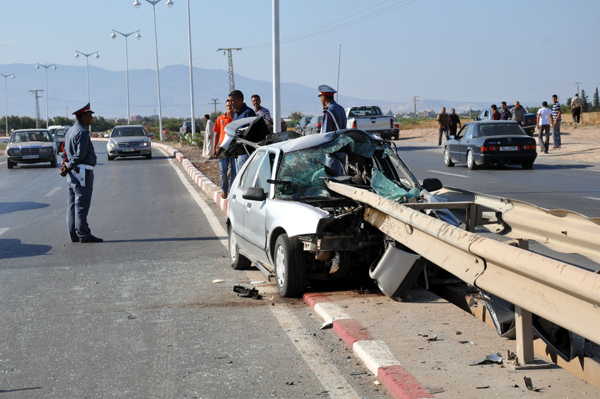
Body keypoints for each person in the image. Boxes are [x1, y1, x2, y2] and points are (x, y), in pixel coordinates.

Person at [63, 103, 102, 243]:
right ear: (83, 116)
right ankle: (84, 234)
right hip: (83, 172)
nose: (91, 118)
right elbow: (81, 154)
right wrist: (71, 164)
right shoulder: (82, 133)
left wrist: (68, 165)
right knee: (82, 205)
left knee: (72, 205)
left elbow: (66, 152)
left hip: (73, 173)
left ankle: (74, 234)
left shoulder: (70, 131)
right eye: (90, 115)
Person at [213, 100, 236, 199]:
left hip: (235, 148)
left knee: (234, 171)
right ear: (225, 107)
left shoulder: (237, 118)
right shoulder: (220, 119)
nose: (229, 108)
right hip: (223, 148)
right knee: (223, 170)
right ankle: (224, 189)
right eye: (227, 106)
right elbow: (217, 134)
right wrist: (214, 148)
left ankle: (231, 190)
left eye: (231, 106)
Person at [229, 90, 256, 173]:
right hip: (238, 152)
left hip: (246, 151)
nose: (230, 103)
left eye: (232, 101)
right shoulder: (236, 114)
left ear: (240, 100)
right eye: (229, 101)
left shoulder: (248, 113)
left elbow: (249, 133)